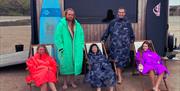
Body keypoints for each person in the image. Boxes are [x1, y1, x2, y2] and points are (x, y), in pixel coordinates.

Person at [101, 7, 135, 84]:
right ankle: (119, 77)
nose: (121, 14)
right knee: (117, 62)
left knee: (124, 62)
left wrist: (132, 40)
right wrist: (103, 39)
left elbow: (131, 33)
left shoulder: (128, 23)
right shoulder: (112, 22)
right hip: (115, 47)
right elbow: (107, 32)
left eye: (122, 12)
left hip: (125, 47)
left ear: (125, 13)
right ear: (117, 13)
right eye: (120, 12)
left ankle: (118, 72)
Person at [54, 8, 84, 89]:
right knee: (65, 66)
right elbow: (57, 38)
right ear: (66, 15)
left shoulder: (77, 24)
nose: (71, 16)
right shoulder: (61, 24)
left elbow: (81, 36)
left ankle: (72, 82)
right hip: (66, 49)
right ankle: (64, 83)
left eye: (72, 14)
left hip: (76, 49)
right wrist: (61, 48)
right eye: (69, 14)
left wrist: (81, 46)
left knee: (73, 66)